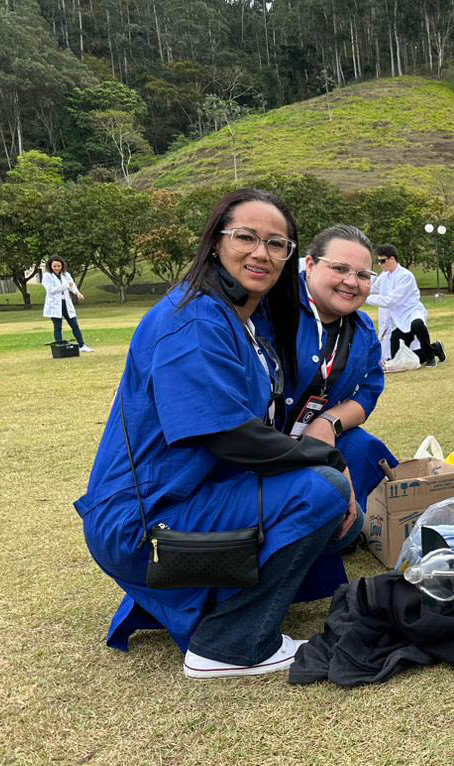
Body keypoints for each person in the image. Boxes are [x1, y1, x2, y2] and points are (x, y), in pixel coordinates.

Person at [74, 188, 359, 679]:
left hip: (187, 497)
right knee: (323, 489)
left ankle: (217, 607)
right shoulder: (192, 320)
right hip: (146, 521)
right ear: (215, 242)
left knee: (340, 512)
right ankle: (230, 644)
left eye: (276, 244)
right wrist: (328, 459)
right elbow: (230, 439)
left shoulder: (241, 318)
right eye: (245, 237)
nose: (260, 253)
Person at [286, 225, 397, 511]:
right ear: (310, 265)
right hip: (263, 446)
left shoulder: (362, 330)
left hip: (320, 437)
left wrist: (329, 422)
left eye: (362, 275)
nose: (351, 282)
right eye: (339, 269)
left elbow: (370, 390)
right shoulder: (275, 308)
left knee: (362, 448)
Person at [366, 244, 445, 368]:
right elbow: (372, 289)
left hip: (412, 312)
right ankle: (436, 348)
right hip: (398, 319)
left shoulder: (406, 276)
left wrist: (365, 299)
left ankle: (430, 357)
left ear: (392, 259)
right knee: (397, 359)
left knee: (417, 324)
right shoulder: (384, 276)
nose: (380, 264)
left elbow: (390, 301)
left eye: (382, 261)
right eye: (378, 261)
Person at [42, 256, 93, 352]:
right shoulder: (47, 276)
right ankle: (60, 348)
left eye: (59, 266)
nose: (57, 268)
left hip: (66, 303)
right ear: (50, 266)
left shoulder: (66, 274)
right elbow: (51, 290)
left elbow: (72, 285)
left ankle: (82, 345)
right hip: (54, 304)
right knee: (57, 327)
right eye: (55, 266)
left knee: (74, 324)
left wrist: (77, 293)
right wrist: (65, 285)